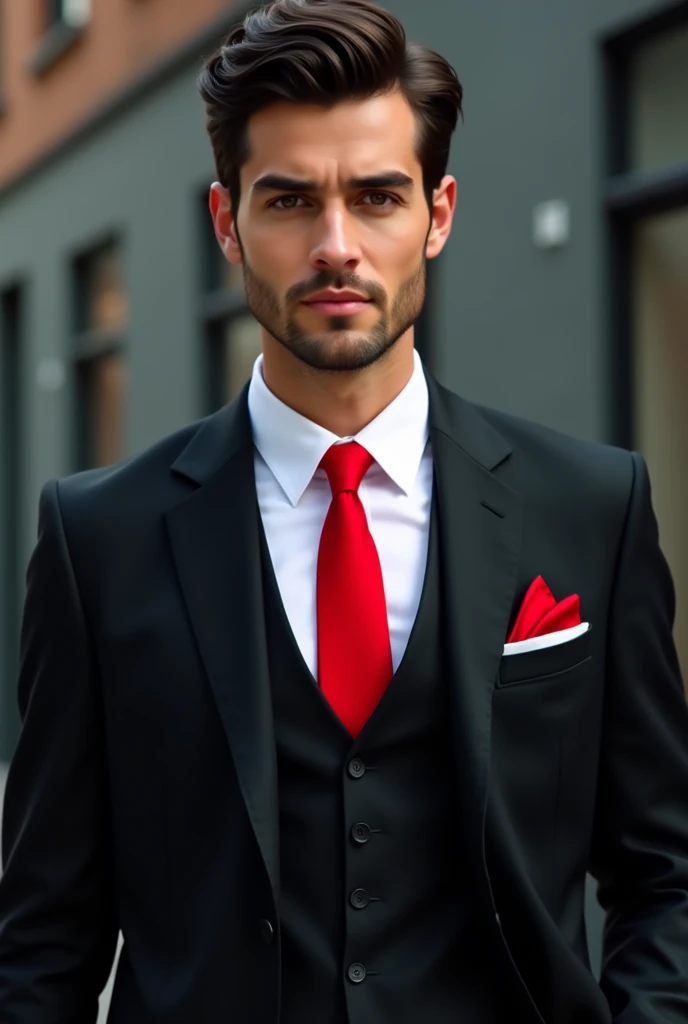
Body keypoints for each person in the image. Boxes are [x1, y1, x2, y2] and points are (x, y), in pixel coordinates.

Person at [1, 0, 687, 1020]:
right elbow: (44, 937)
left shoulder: (592, 504)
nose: (335, 246)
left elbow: (664, 870)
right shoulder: (99, 541)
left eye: (375, 196)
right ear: (227, 223)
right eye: (288, 202)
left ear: (438, 214)